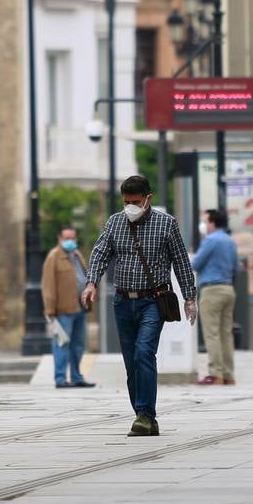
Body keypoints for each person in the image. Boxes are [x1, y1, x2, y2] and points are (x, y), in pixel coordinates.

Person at [82, 175, 198, 437]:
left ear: (148, 198)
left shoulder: (166, 224)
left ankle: (145, 415)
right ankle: (143, 414)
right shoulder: (115, 222)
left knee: (144, 352)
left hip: (153, 301)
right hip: (123, 301)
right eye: (126, 202)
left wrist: (190, 298)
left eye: (135, 201)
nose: (130, 206)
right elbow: (100, 252)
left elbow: (181, 262)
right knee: (131, 361)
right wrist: (91, 283)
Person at [42, 224, 95, 389]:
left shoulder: (77, 254)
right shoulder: (54, 257)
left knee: (78, 345)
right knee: (61, 344)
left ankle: (77, 376)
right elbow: (48, 286)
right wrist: (50, 310)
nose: (70, 241)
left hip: (79, 307)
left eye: (73, 238)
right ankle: (60, 378)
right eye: (67, 238)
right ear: (59, 239)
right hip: (63, 310)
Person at [192, 208, 239, 386]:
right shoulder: (230, 241)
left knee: (211, 333)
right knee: (226, 333)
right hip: (228, 289)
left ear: (212, 223)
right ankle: (228, 374)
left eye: (205, 221)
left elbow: (196, 263)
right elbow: (236, 267)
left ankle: (215, 373)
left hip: (211, 289)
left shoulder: (210, 240)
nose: (204, 225)